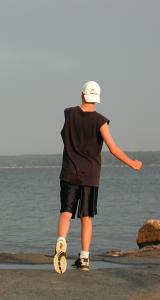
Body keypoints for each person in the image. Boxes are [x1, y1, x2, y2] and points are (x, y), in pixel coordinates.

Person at [53, 81, 142, 274]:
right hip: (90, 175)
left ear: (82, 95)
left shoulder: (69, 113)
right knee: (86, 216)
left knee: (66, 212)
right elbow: (113, 148)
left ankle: (61, 241)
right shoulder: (100, 121)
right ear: (97, 99)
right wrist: (132, 163)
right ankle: (84, 257)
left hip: (69, 171)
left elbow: (63, 135)